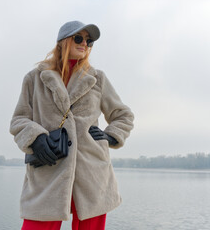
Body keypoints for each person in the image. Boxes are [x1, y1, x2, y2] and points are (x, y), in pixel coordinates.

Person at [10, 20, 134, 230]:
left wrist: (111, 136)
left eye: (89, 41)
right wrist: (36, 137)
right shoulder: (35, 78)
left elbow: (123, 115)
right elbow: (19, 119)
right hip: (49, 166)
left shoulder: (97, 78)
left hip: (92, 169)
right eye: (79, 38)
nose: (84, 44)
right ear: (62, 42)